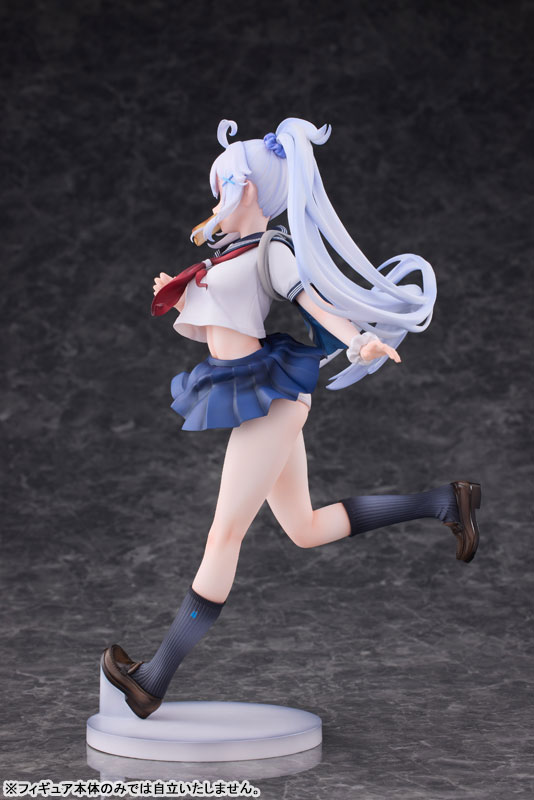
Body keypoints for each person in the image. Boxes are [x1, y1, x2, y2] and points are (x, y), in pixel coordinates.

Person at [101, 118, 481, 719]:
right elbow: (221, 320)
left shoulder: (271, 250)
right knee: (303, 527)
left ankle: (153, 679)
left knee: (223, 536)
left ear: (246, 188)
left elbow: (313, 301)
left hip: (270, 398)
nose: (215, 201)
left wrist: (358, 341)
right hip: (256, 391)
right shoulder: (231, 251)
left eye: (223, 187)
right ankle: (444, 503)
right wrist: (181, 292)